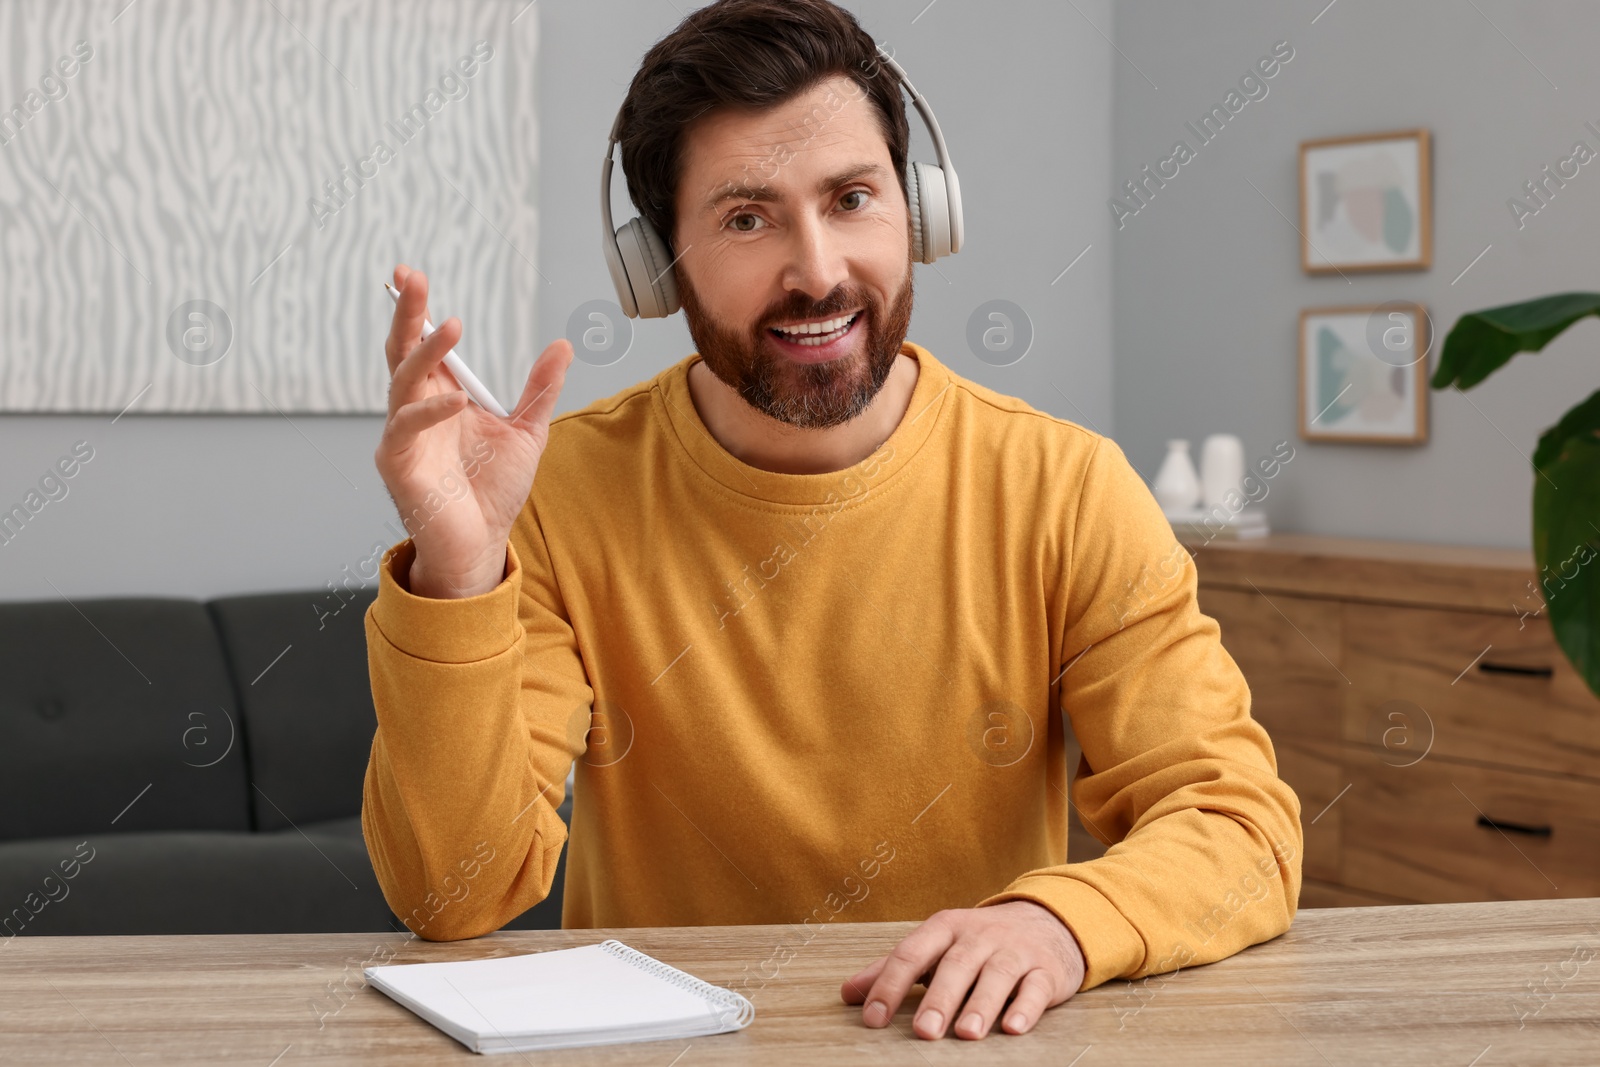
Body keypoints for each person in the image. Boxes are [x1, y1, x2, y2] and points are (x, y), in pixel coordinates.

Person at [364, 0, 1301, 1043]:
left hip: (964, 1040)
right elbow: (453, 895)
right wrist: (458, 572)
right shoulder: (559, 496)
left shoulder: (1065, 487)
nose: (816, 269)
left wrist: (1057, 923)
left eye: (852, 197)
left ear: (922, 211)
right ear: (656, 270)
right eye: (745, 218)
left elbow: (1236, 826)